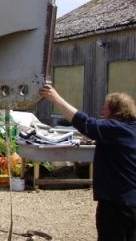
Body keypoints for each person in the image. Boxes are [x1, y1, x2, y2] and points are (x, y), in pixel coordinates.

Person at [40, 84, 136, 241]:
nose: (102, 113)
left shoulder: (115, 128)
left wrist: (55, 98)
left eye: (105, 109)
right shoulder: (131, 129)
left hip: (117, 204)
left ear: (116, 111)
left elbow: (85, 123)